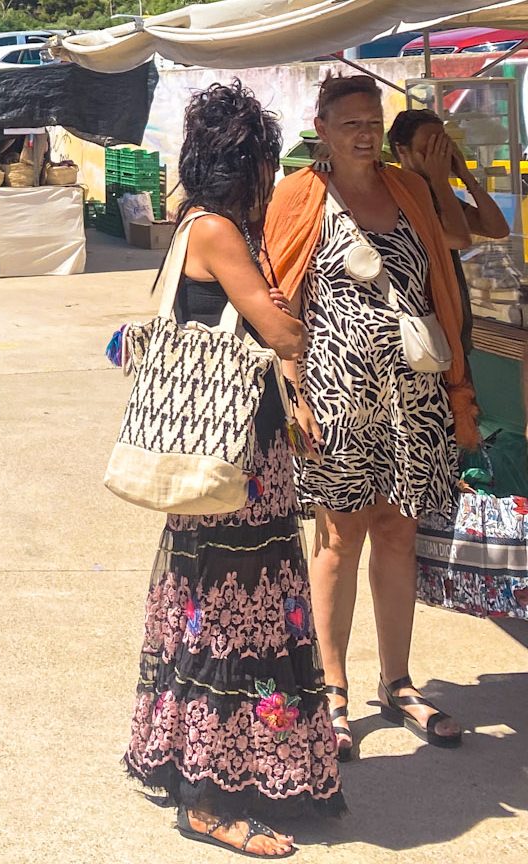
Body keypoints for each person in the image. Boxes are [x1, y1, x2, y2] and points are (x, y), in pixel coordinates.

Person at [124, 81, 344, 859]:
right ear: (244, 164)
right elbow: (280, 330)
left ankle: (249, 768)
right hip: (233, 465)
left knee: (224, 613)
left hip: (234, 459)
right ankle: (210, 799)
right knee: (229, 620)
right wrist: (289, 311)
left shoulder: (196, 223)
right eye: (263, 163)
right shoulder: (217, 229)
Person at [264, 74, 478, 762]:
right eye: (349, 121)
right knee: (339, 538)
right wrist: (294, 392)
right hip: (334, 392)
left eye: (372, 120)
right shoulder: (300, 195)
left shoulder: (408, 188)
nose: (364, 131)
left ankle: (399, 682)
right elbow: (279, 300)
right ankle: (332, 690)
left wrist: (444, 173)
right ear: (321, 127)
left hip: (412, 395)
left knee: (397, 530)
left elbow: (460, 244)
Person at [389, 109, 511, 357]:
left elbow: (497, 228)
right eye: (429, 150)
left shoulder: (438, 196)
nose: (439, 158)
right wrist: (441, 181)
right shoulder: (397, 196)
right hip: (421, 337)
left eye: (443, 148)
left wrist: (465, 175)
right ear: (403, 151)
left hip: (454, 332)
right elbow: (459, 239)